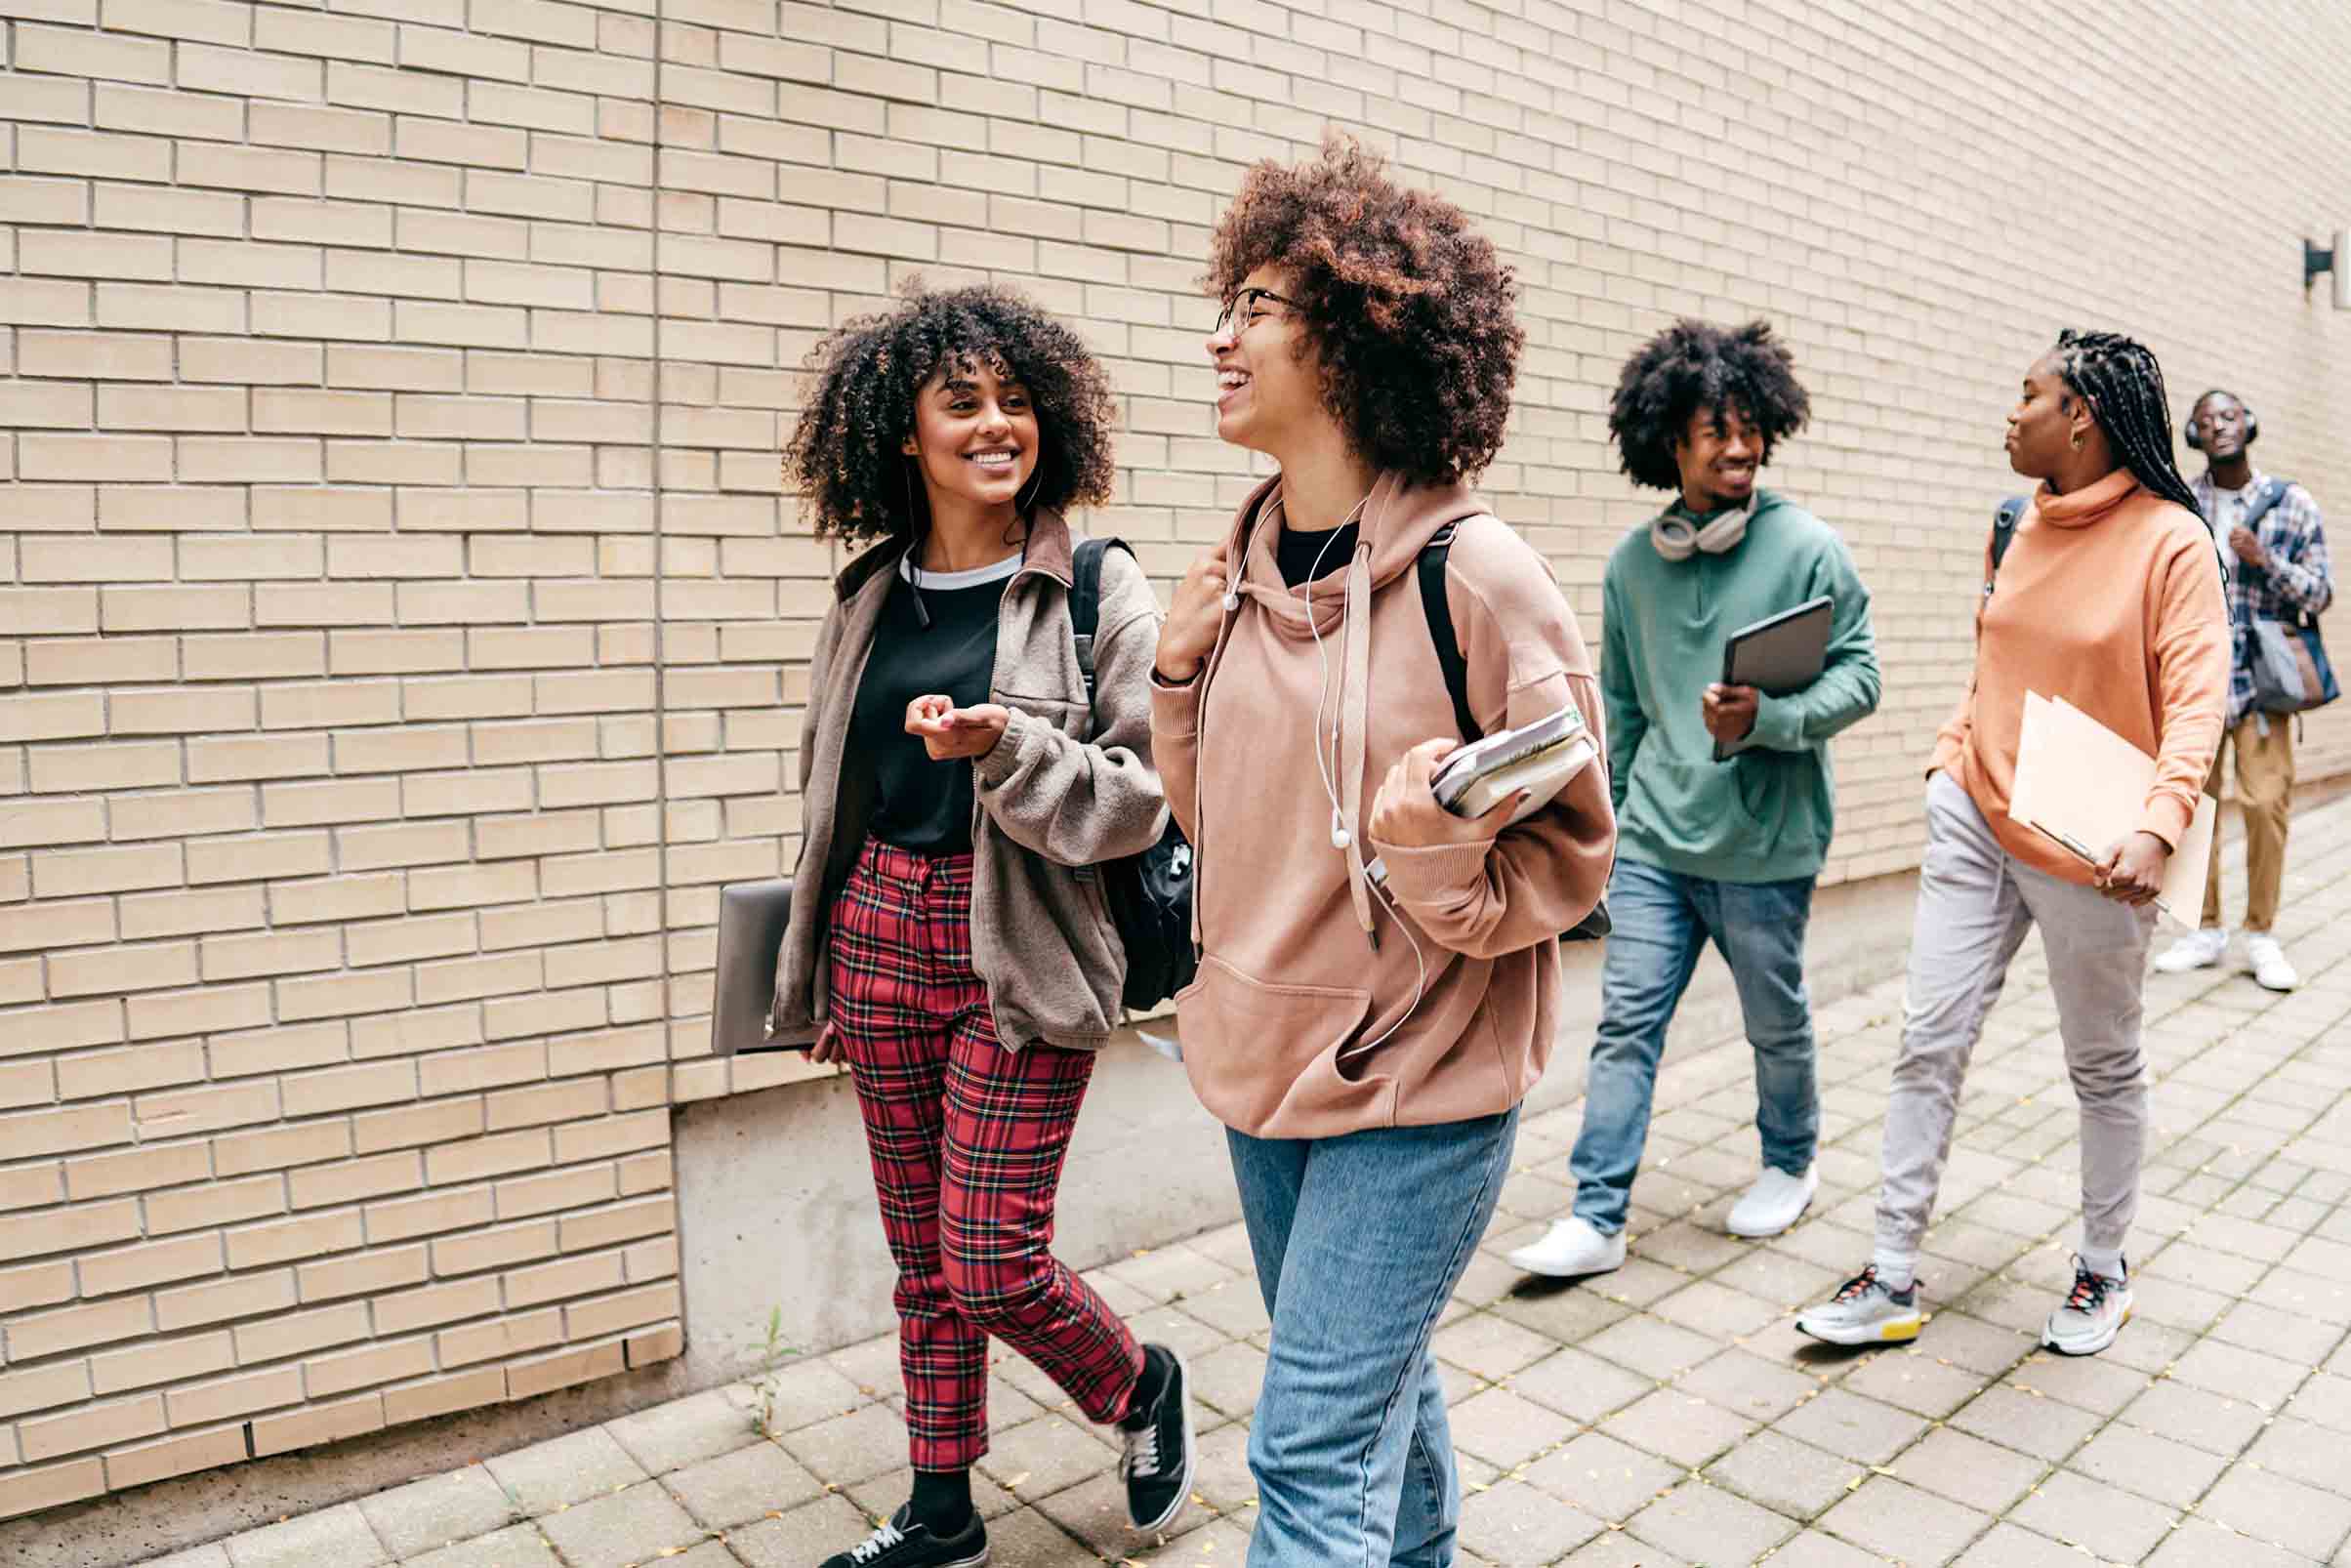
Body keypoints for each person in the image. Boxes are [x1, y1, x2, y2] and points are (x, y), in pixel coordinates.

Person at [1150, 138, 1616, 1568]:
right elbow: (1218, 825)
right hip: (1256, 1059)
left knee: (1305, 1448)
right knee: (1369, 1386)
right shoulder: (1230, 575)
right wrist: (1176, 684)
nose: (1219, 336)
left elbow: (1572, 859)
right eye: (1223, 306)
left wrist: (1424, 849)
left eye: (1258, 307)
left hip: (1419, 1084)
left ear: (1355, 341)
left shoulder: (1479, 577)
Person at [772, 283, 1193, 1568]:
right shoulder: (868, 596)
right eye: (963, 403)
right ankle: (941, 1510)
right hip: (879, 932)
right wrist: (814, 968)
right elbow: (830, 798)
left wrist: (1008, 744)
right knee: (920, 1257)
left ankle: (1138, 1384)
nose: (997, 424)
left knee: (991, 1257)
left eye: (1016, 401)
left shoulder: (1095, 588)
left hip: (1027, 939)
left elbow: (1146, 792)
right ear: (904, 432)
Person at [1797, 330, 2229, 1357]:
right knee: (1926, 1039)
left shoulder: (2168, 540)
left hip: (2092, 845)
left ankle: (2101, 1267)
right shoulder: (2014, 521)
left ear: (2077, 415)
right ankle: (1889, 1273)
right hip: (1976, 818)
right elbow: (1991, 652)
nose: (2010, 411)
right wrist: (1951, 757)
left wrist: (2158, 823)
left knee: (2101, 1064)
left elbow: (2197, 697)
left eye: (2025, 393)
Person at [1507, 321, 1880, 1281]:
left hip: (1765, 848)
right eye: (1715, 430)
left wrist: (1771, 717)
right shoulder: (1633, 567)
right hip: (1656, 848)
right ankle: (1595, 1215)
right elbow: (1623, 709)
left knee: (1774, 1020)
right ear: (1666, 443)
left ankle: (1789, 1161)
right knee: (1625, 1024)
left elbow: (1860, 677)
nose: (1739, 446)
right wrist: (1610, 830)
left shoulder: (1806, 548)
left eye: (1750, 426)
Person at [2152, 389, 2332, 991]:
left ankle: (2261, 934)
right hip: (2196, 680)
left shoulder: (2291, 502)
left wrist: (2263, 561)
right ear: (2194, 437)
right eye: (2205, 421)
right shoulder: (2182, 503)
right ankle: (2204, 930)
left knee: (2264, 806)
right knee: (2192, 805)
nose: (2218, 426)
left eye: (2228, 416)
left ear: (2248, 425)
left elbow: (2320, 593)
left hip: (2262, 686)